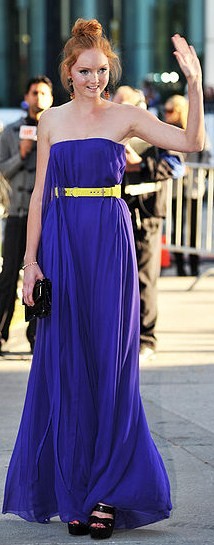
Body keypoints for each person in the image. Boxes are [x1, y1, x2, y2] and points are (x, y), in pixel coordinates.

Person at [2, 19, 204, 539]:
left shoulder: (127, 115)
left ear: (108, 70)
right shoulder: (50, 122)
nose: (94, 78)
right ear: (69, 72)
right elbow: (42, 195)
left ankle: (109, 493)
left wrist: (194, 82)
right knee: (66, 369)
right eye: (84, 70)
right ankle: (73, 489)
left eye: (101, 69)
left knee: (111, 369)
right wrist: (31, 264)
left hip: (110, 249)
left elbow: (191, 141)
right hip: (62, 249)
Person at [113, 85, 185, 361]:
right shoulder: (112, 131)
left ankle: (146, 339)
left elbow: (176, 166)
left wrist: (141, 165)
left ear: (139, 107)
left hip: (148, 215)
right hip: (118, 213)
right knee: (118, 279)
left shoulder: (157, 131)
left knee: (144, 278)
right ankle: (124, 336)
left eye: (124, 106)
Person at [0, 76, 53, 354]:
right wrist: (21, 155)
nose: (39, 98)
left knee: (40, 276)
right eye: (35, 93)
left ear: (51, 98)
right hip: (17, 213)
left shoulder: (57, 131)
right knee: (9, 274)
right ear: (26, 96)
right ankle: (1, 332)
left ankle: (36, 337)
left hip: (46, 218)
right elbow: (2, 171)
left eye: (44, 93)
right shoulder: (11, 132)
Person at [164, 94, 211, 276]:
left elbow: (205, 152)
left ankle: (193, 265)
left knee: (194, 228)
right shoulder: (166, 129)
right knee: (177, 227)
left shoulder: (196, 129)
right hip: (175, 188)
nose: (167, 114)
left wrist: (199, 171)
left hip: (193, 186)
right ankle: (181, 267)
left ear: (179, 111)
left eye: (170, 110)